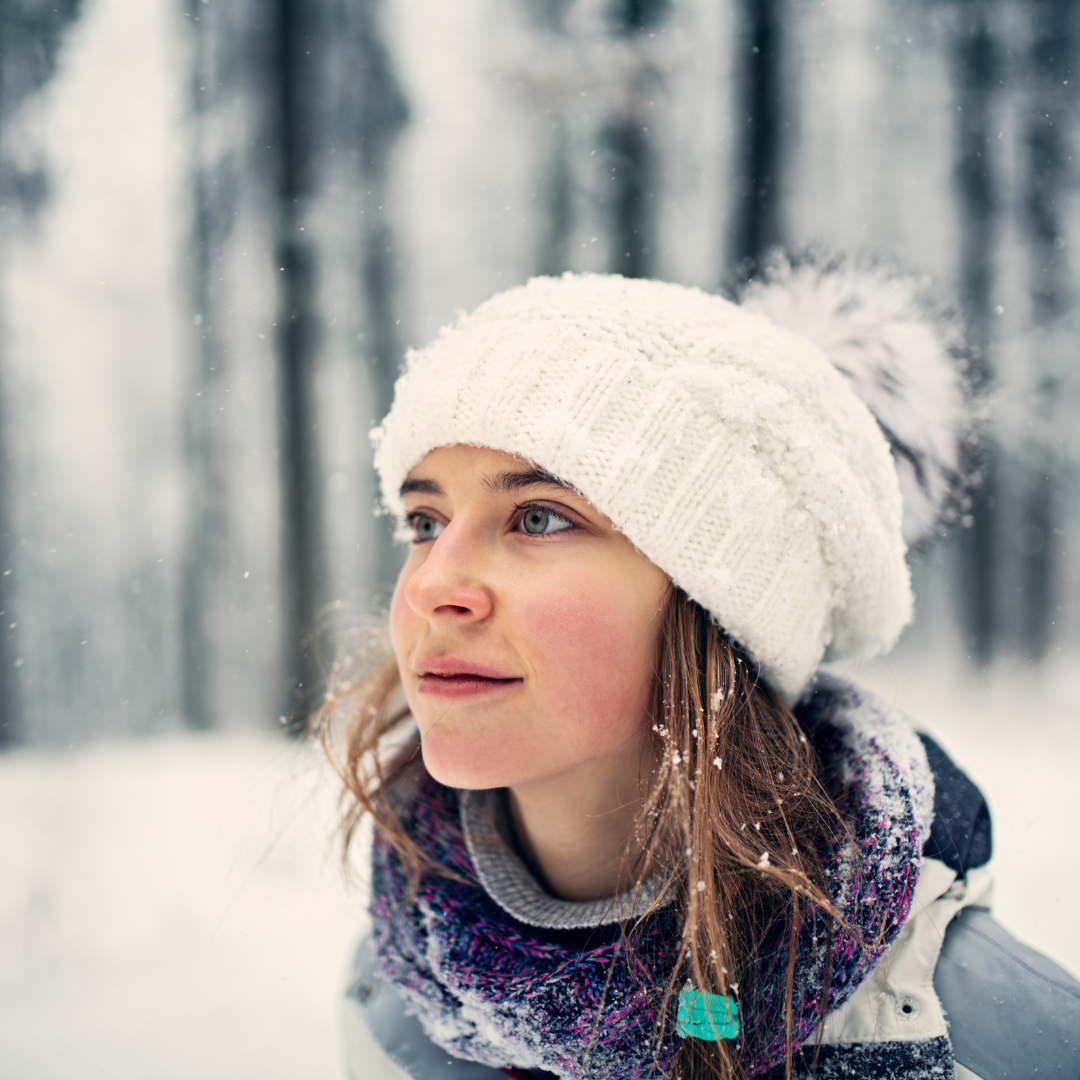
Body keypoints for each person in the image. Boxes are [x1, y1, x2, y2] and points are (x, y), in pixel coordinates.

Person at [316, 262, 1080, 1080]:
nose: (432, 586)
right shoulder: (397, 996)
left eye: (538, 517)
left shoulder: (982, 1035)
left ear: (716, 608)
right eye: (424, 521)